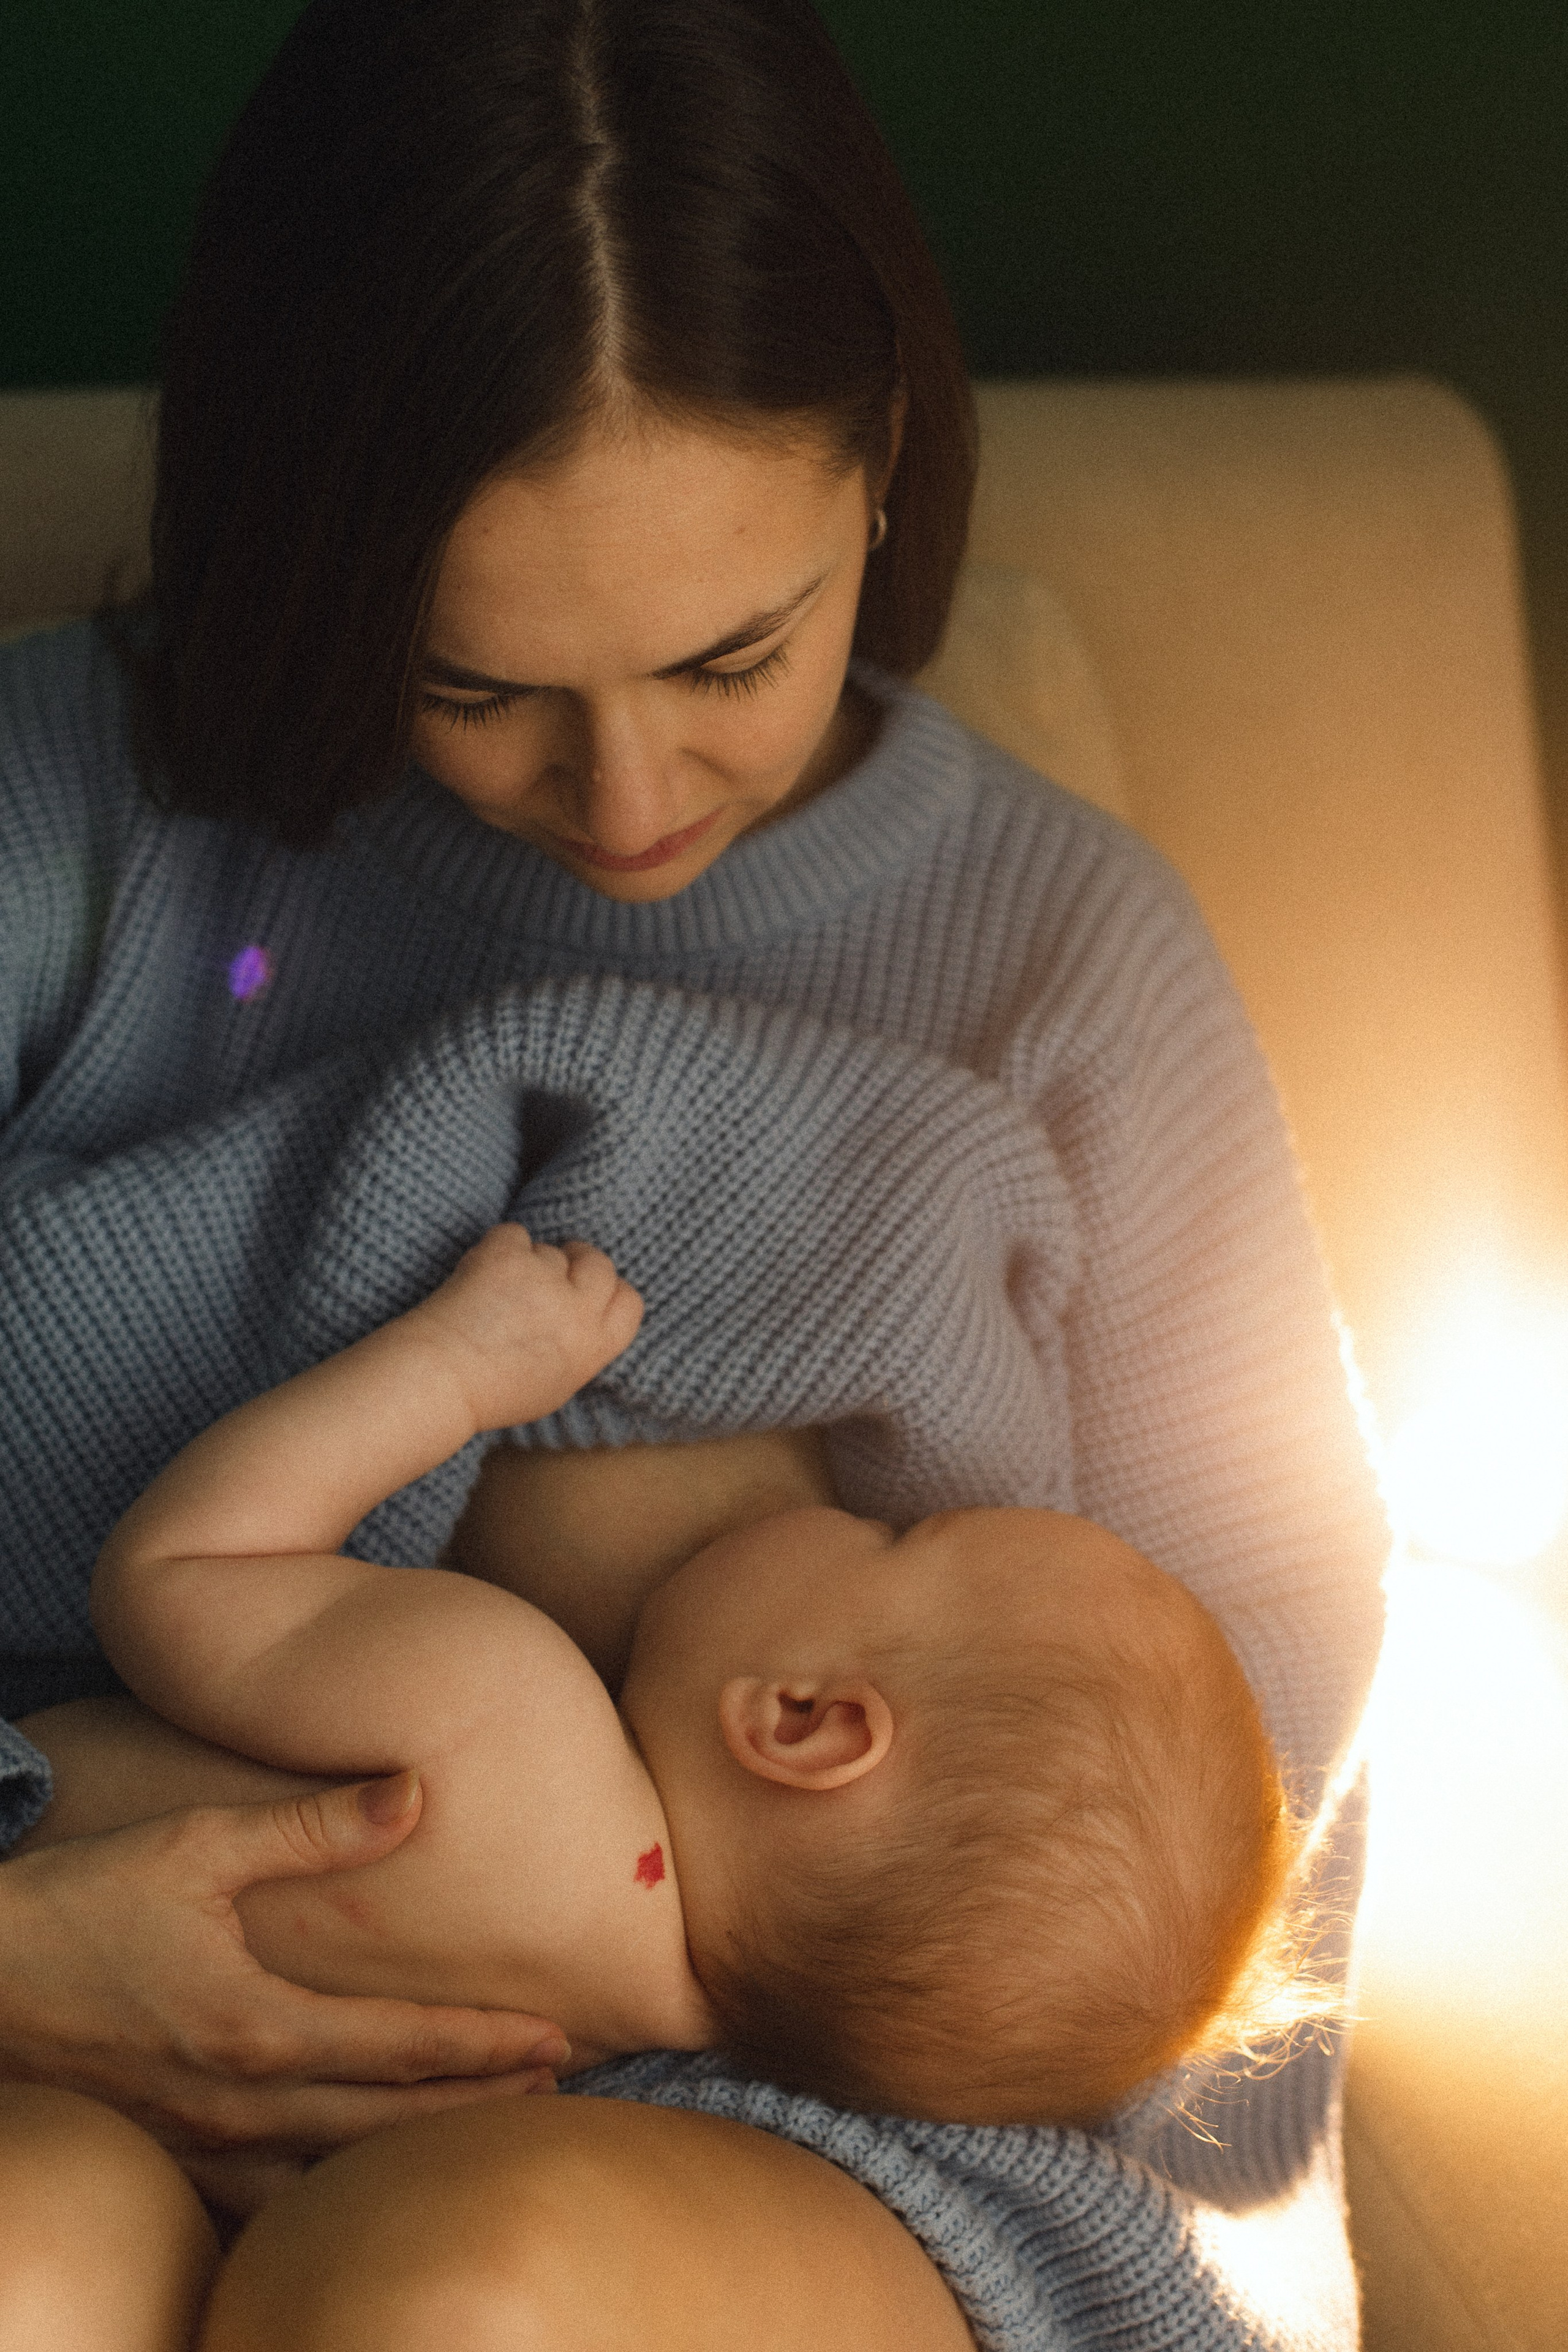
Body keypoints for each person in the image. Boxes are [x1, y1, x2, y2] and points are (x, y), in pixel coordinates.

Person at [0, 2, 1388, 2345]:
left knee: (469, 2290)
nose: (627, 794)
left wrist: (754, 1991)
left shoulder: (1069, 960)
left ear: (884, 469)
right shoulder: (67, 815)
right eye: (469, 687)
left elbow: (1242, 1762)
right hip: (94, 1953)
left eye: (730, 655)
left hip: (834, 2115)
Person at [16, 1220, 1309, 2167]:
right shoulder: (568, 2065)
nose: (863, 1512)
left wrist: (456, 1372)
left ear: (802, 1720)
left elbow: (178, 1571)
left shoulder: (500, 1716)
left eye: (898, 1537)